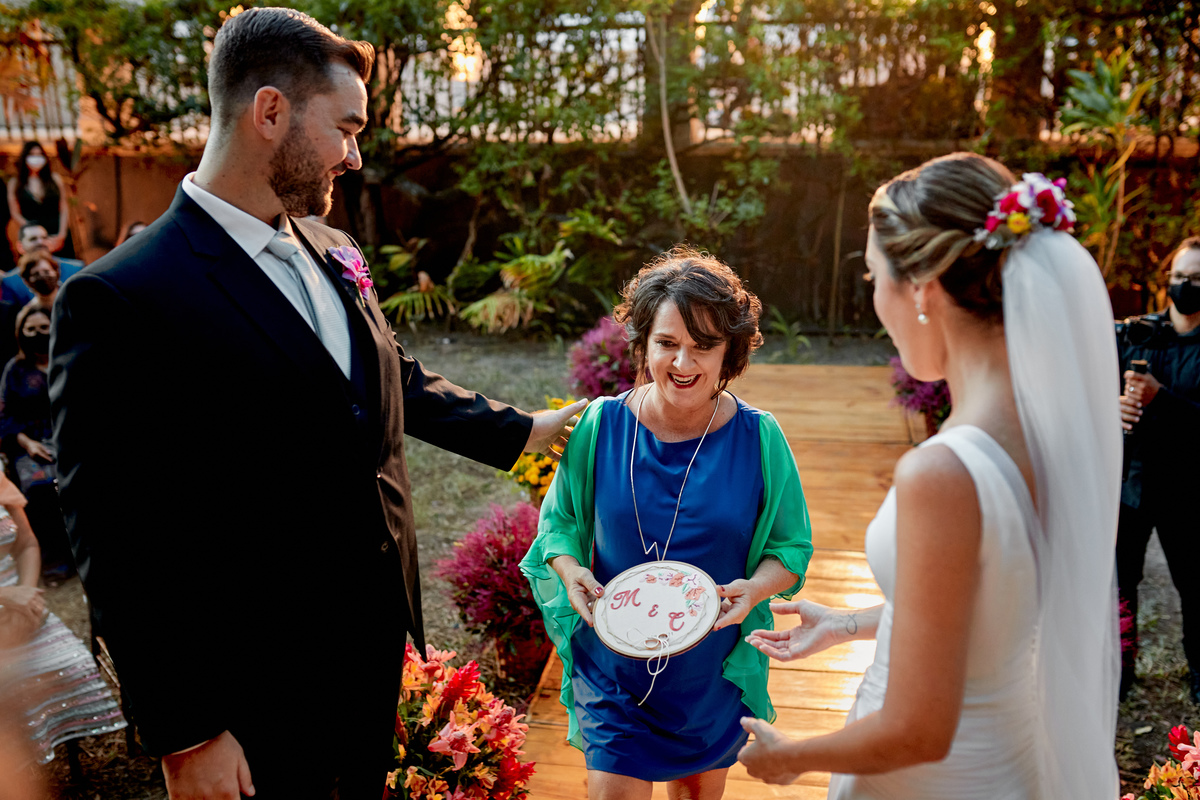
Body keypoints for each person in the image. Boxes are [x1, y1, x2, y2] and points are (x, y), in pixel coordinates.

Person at [49, 8, 582, 800]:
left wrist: (527, 431)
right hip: (251, 692)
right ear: (270, 113)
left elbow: (383, 377)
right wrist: (186, 730)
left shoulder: (334, 249)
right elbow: (114, 537)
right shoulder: (121, 298)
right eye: (347, 129)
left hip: (373, 654)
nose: (356, 156)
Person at [738, 154, 1121, 798]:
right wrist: (850, 623)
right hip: (1011, 760)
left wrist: (792, 756)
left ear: (921, 289)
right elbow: (990, 601)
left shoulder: (942, 473)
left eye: (874, 278)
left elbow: (919, 729)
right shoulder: (1047, 431)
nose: (876, 301)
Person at [521, 248, 813, 800]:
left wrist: (754, 590)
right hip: (613, 667)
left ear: (729, 352)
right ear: (643, 344)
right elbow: (557, 525)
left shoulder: (760, 437)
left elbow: (790, 546)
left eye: (704, 346)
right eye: (668, 343)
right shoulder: (599, 426)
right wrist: (568, 569)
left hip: (712, 667)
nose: (684, 363)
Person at [1117, 236, 1200, 705]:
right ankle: (1120, 669)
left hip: (1188, 487)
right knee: (1119, 583)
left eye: (1196, 279)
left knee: (1195, 584)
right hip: (1129, 484)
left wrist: (1160, 399)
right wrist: (1113, 408)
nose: (1185, 286)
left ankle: (1199, 671)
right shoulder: (1136, 334)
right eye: (1179, 276)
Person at [0, 471, 126, 763]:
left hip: (21, 599)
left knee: (72, 664)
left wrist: (28, 593)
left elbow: (27, 544)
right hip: (9, 598)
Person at [0, 303, 71, 583]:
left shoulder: (67, 357)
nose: (38, 334)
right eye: (31, 329)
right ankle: (55, 561)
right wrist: (28, 443)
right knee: (40, 487)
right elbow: (3, 416)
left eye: (44, 328)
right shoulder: (14, 370)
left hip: (68, 434)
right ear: (21, 334)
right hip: (30, 442)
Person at [6, 142, 73, 259]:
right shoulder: (15, 183)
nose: (36, 158)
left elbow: (63, 207)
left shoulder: (54, 179)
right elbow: (15, 213)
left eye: (39, 154)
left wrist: (61, 235)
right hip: (32, 236)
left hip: (56, 233)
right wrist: (36, 233)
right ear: (24, 157)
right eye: (32, 154)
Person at [2, 224, 82, 307]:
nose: (41, 242)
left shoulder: (76, 269)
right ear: (20, 246)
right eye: (33, 239)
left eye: (44, 238)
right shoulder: (9, 281)